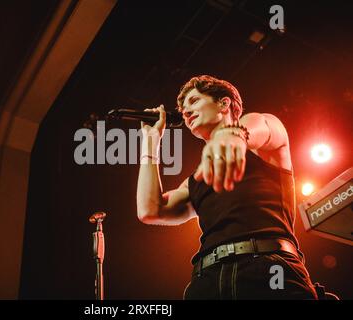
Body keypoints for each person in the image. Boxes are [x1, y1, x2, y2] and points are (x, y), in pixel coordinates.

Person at [136, 75, 318, 299]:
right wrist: (151, 142)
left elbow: (263, 124)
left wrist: (234, 134)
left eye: (193, 101)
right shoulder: (197, 178)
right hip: (207, 279)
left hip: (270, 267)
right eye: (182, 109)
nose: (185, 111)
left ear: (224, 104)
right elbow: (149, 210)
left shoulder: (263, 141)